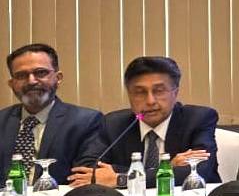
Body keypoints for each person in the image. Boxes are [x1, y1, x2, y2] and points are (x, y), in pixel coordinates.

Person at [69, 56, 218, 187]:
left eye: (159, 91)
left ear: (175, 93)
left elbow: (201, 170)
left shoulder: (198, 119)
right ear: (129, 95)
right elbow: (86, 169)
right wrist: (167, 168)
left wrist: (120, 178)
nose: (150, 101)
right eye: (140, 92)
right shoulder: (114, 124)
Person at [1, 43, 102, 185]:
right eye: (21, 75)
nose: (31, 81)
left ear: (58, 78)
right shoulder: (2, 120)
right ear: (12, 84)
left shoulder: (85, 122)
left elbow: (84, 177)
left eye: (40, 73)